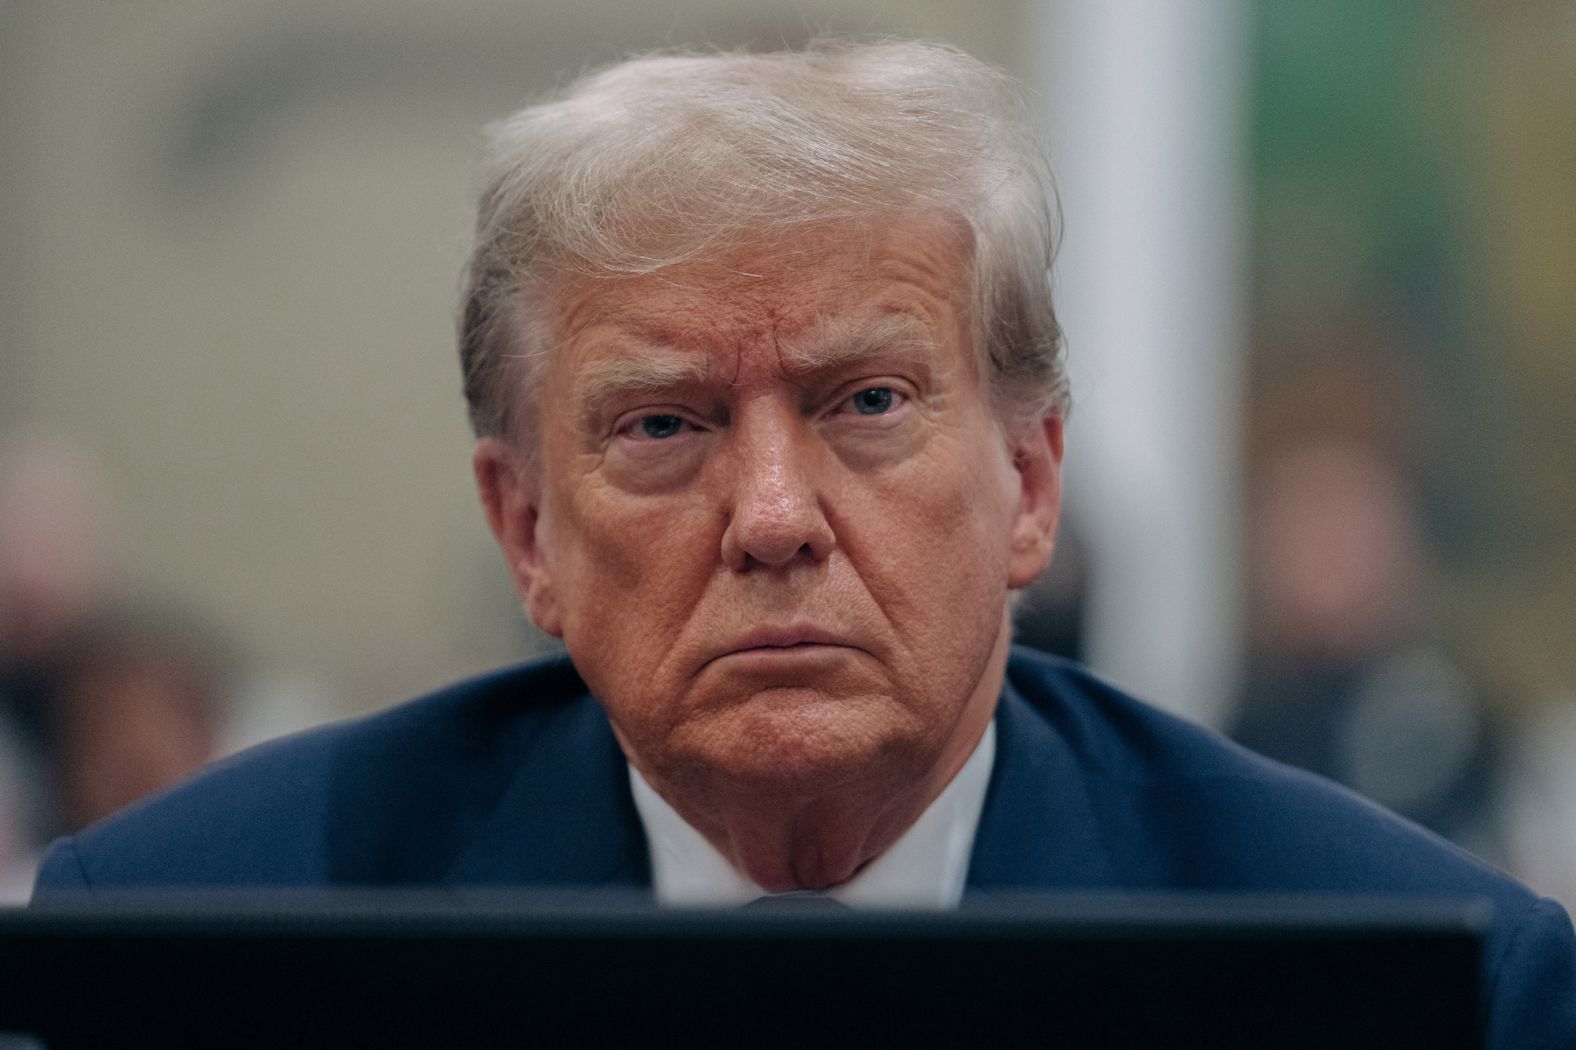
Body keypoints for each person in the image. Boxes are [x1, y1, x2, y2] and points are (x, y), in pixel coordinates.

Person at [31, 41, 1574, 1045]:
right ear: (527, 532)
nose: (772, 518)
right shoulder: (184, 955)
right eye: (662, 426)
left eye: (869, 400)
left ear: (1032, 480)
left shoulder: (1421, 989)